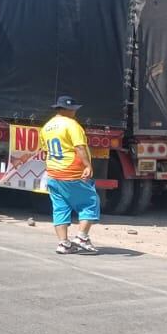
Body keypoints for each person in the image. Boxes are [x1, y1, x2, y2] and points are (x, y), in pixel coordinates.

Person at [42, 95, 99, 254]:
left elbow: (45, 150)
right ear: (67, 110)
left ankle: (63, 243)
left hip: (53, 172)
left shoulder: (47, 126)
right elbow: (79, 147)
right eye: (73, 109)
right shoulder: (72, 125)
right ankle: (82, 237)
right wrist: (88, 165)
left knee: (60, 207)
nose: (75, 112)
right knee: (90, 201)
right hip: (72, 172)